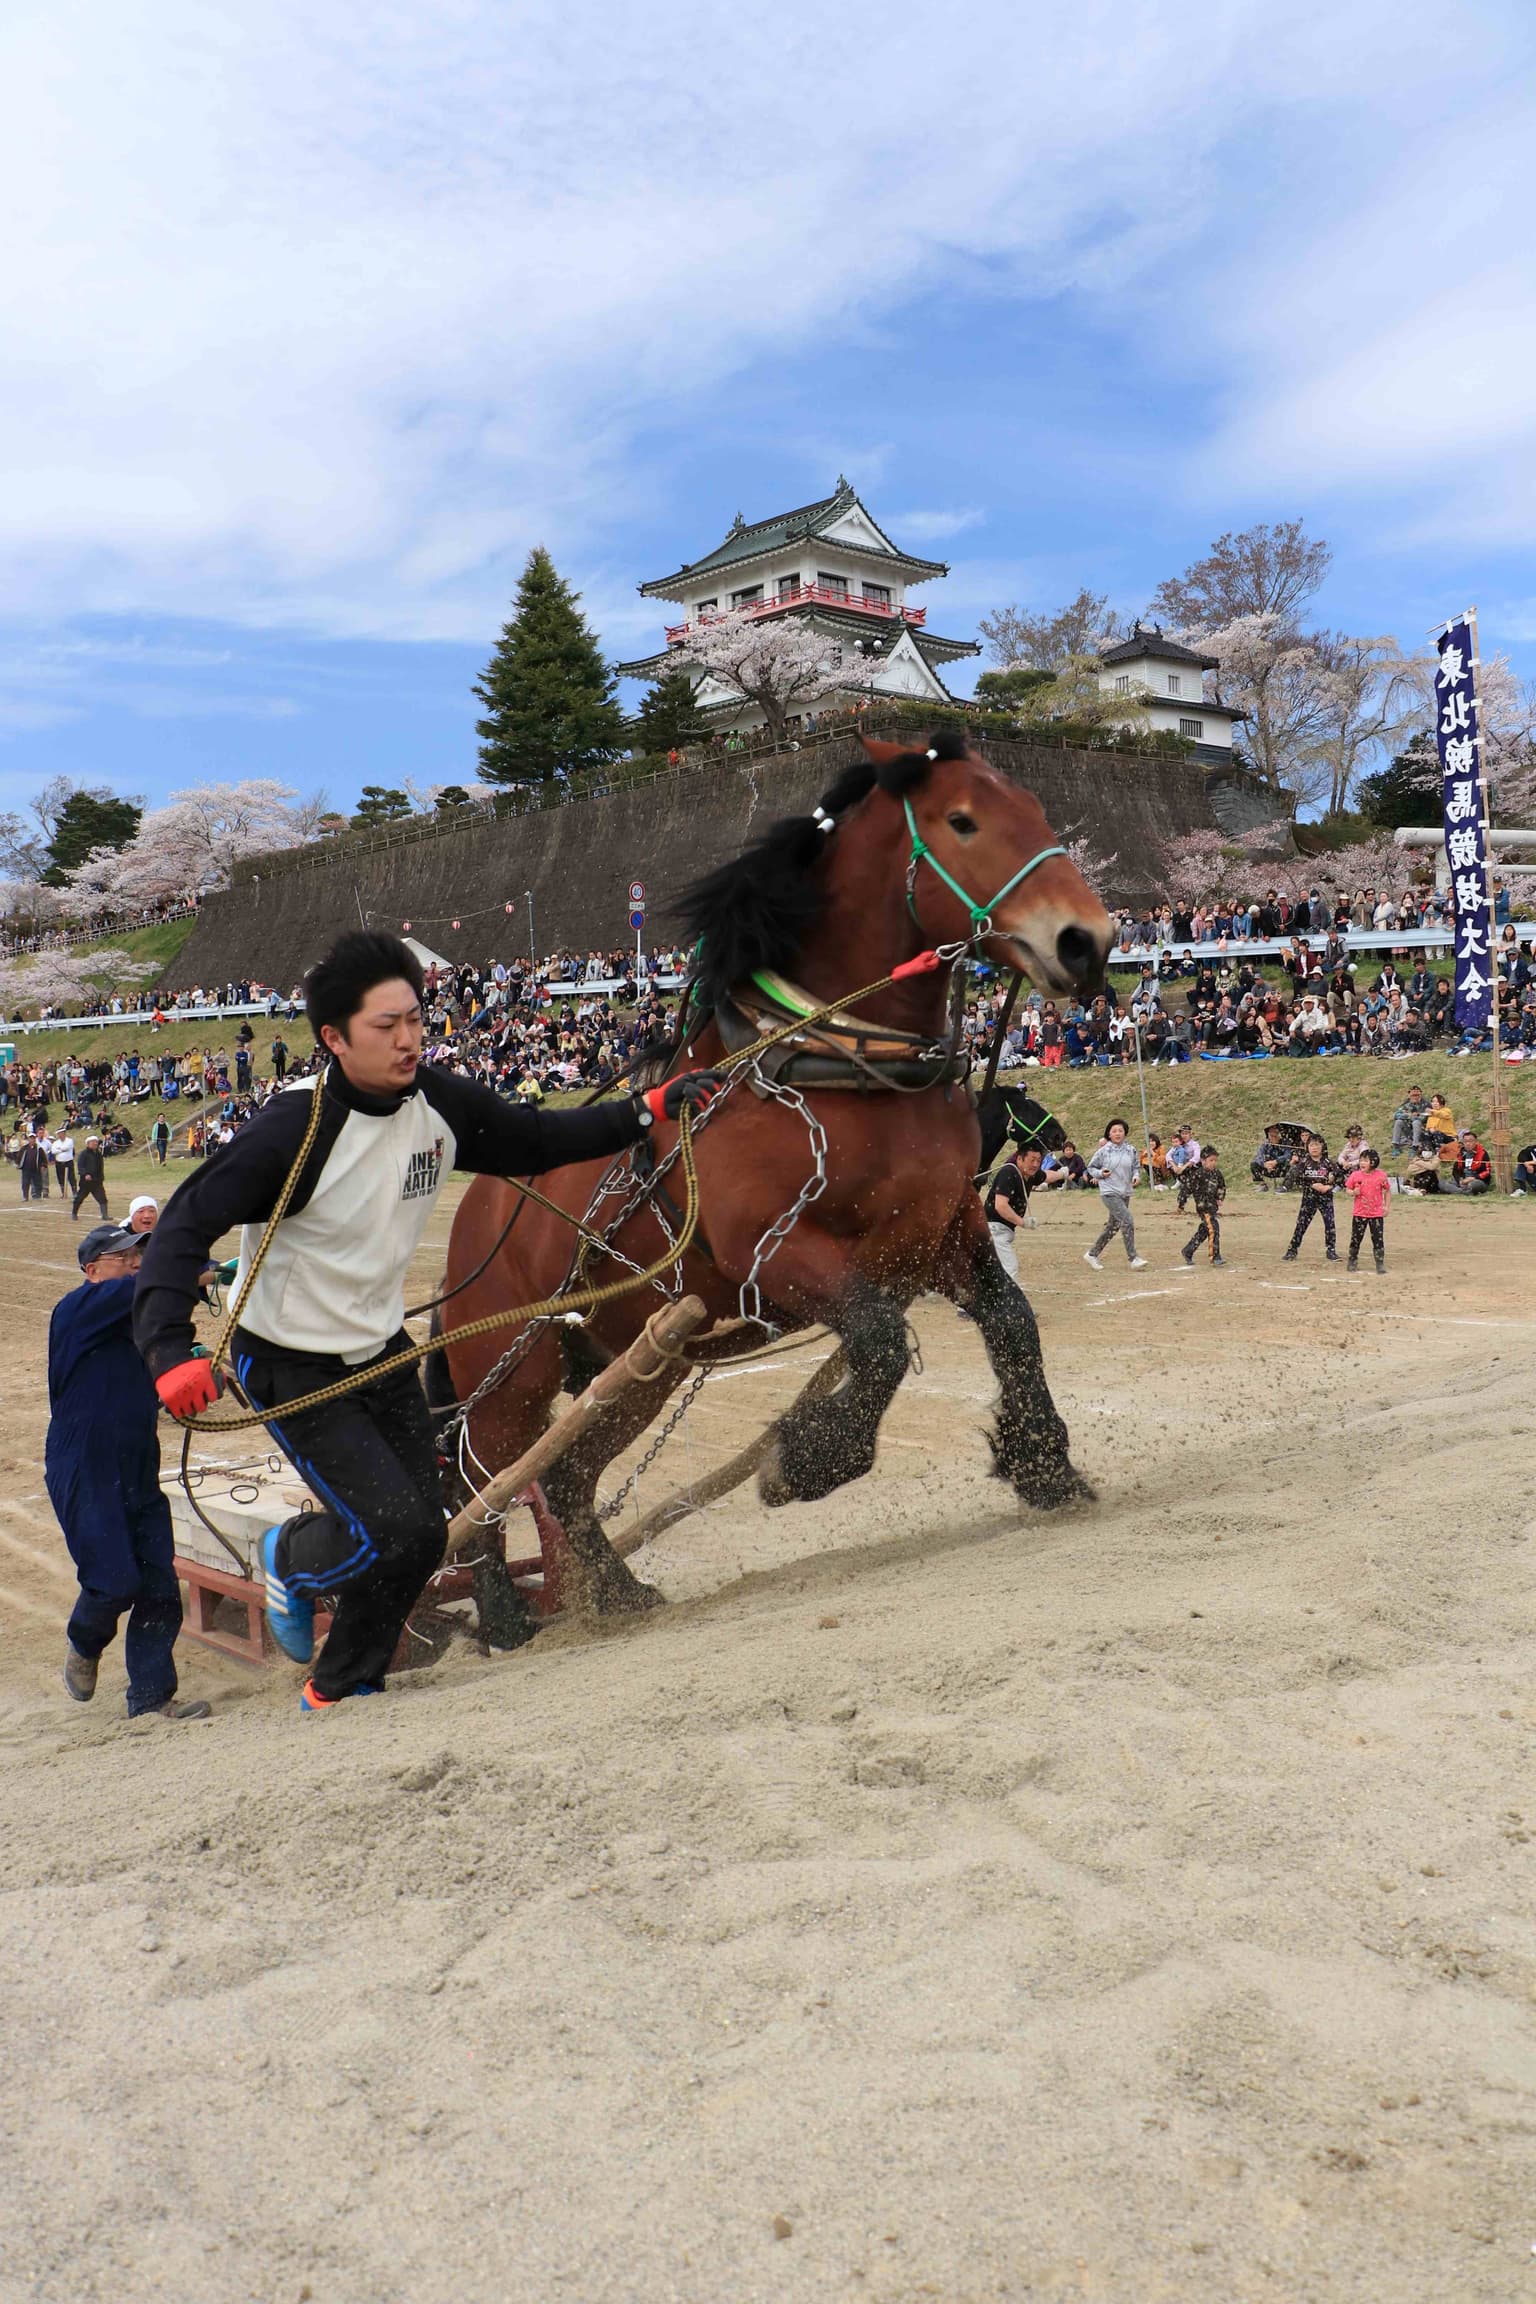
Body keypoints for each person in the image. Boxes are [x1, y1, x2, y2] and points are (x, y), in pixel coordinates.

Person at [134, 931, 726, 1715]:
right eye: (387, 1026)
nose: (410, 1038)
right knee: (400, 1532)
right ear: (335, 1039)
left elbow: (532, 1137)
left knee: (427, 1530)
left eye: (416, 1018)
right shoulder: (295, 1131)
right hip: (290, 1362)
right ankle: (314, 1617)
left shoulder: (435, 1100)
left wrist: (643, 1111)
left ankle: (344, 1674)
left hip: (379, 1351)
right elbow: (181, 1227)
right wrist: (169, 1349)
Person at [49, 1222, 210, 1720]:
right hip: (85, 1462)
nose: (136, 1262)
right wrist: (195, 1272)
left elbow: (170, 1375)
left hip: (137, 1460)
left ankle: (150, 1699)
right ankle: (84, 1642)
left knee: (160, 1584)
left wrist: (206, 1370)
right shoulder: (78, 1308)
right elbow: (144, 1289)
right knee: (114, 1580)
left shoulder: (136, 1327)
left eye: (139, 1255)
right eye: (125, 1258)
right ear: (92, 1270)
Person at [1083, 1118, 1146, 1271]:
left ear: (1125, 1133)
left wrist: (1136, 1176)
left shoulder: (1131, 1150)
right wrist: (1100, 1173)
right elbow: (1090, 1168)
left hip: (1125, 1191)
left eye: (1120, 1130)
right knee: (1127, 1220)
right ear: (1109, 1134)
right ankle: (1133, 1258)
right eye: (1114, 1131)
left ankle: (1092, 1254)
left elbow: (1136, 1167)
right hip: (1109, 1192)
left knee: (1113, 1226)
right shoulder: (1103, 1151)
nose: (1117, 1133)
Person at [984, 1145, 1043, 1280]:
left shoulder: (1029, 1174)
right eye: (1032, 1160)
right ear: (1020, 1159)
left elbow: (1047, 1176)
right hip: (993, 1230)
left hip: (1000, 1232)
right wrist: (1023, 1222)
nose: (1035, 1164)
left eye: (1039, 1161)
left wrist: (1063, 1173)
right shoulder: (1008, 1172)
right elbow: (1001, 1205)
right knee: (1010, 1267)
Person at [1284, 1135, 1341, 1262]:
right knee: (1301, 1224)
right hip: (1309, 1198)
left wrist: (1328, 1186)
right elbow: (1296, 1179)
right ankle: (1292, 1250)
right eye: (1311, 1145)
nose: (1314, 1148)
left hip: (1325, 1198)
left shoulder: (1329, 1163)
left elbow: (1340, 1179)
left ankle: (1331, 1250)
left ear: (1322, 1146)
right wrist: (1312, 1185)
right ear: (1307, 1147)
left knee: (1329, 1224)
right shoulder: (1303, 1163)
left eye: (1317, 1145)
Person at [1177, 1145, 1227, 1268]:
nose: (1213, 1163)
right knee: (1214, 1228)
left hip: (1213, 1207)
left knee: (1204, 1231)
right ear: (1203, 1161)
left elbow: (1222, 1186)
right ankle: (1215, 1256)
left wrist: (1220, 1198)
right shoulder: (1197, 1175)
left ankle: (1188, 1251)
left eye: (1215, 1160)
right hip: (1203, 1208)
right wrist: (1181, 1204)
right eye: (1211, 1160)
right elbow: (1186, 1189)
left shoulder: (1217, 1173)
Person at [1345, 1149, 1390, 1273]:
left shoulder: (1381, 1175)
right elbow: (1347, 1189)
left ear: (1374, 1162)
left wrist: (1386, 1206)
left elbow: (1387, 1191)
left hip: (1376, 1214)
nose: (1362, 1163)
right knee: (1356, 1238)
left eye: (1365, 1160)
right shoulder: (1355, 1175)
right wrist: (1353, 1192)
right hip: (1359, 1213)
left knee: (1378, 1239)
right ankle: (1352, 1260)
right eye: (1361, 1160)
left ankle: (1379, 1263)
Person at [71, 1134, 108, 1222]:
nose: (95, 1143)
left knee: (102, 1198)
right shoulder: (83, 1154)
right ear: (88, 1144)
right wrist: (85, 1174)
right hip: (86, 1182)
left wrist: (101, 1177)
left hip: (97, 1181)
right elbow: (80, 1166)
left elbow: (100, 1167)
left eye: (96, 1142)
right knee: (79, 1198)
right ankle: (74, 1213)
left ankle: (105, 1215)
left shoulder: (98, 1154)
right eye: (93, 1142)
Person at [1446, 1129, 1491, 1194]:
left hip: (1477, 1181)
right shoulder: (1461, 1153)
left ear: (1476, 1141)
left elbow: (1487, 1171)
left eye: (1470, 1141)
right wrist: (1460, 1180)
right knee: (1443, 1183)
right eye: (1465, 1141)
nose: (1468, 1143)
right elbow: (1456, 1170)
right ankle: (1462, 1191)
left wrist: (1473, 1178)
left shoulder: (1483, 1153)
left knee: (1473, 1185)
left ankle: (1458, 1191)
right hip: (1463, 1180)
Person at [1391, 1087, 1429, 1156]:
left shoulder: (1426, 1104)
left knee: (1416, 1122)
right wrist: (1410, 1115)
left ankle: (1415, 1147)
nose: (1415, 1097)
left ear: (1421, 1095)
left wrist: (1410, 1116)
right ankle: (1396, 1146)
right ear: (1409, 1095)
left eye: (1417, 1095)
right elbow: (1396, 1115)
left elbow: (1423, 1118)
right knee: (1398, 1122)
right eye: (1413, 1095)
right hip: (1409, 1132)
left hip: (1422, 1132)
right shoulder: (1407, 1103)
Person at [1250, 1124, 1290, 1190]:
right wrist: (1265, 1164)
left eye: (1275, 1135)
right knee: (1254, 1164)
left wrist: (1276, 1161)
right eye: (1271, 1135)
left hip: (1280, 1168)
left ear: (1279, 1135)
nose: (1273, 1137)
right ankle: (1262, 1185)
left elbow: (1288, 1155)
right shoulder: (1265, 1144)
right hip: (1268, 1168)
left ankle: (1284, 1186)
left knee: (1290, 1163)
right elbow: (1259, 1156)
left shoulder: (1285, 1143)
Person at [52, 1128, 77, 1197]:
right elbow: (53, 1151)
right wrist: (61, 1150)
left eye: (61, 1133)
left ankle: (74, 1192)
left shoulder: (69, 1141)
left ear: (64, 1133)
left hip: (68, 1162)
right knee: (60, 1178)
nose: (59, 1135)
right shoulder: (55, 1143)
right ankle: (63, 1193)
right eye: (58, 1134)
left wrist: (59, 1149)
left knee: (71, 1177)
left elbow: (67, 1148)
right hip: (59, 1162)